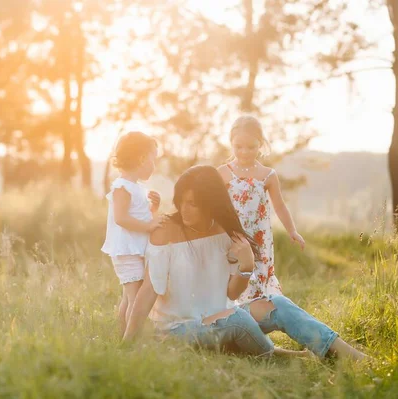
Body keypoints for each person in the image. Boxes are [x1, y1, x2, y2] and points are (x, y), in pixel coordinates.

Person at [123, 165, 367, 361]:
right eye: (181, 202)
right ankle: (279, 357)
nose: (183, 210)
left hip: (222, 316)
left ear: (211, 204)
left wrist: (246, 266)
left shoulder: (225, 231)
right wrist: (127, 343)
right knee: (237, 320)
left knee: (278, 303)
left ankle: (352, 357)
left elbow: (232, 292)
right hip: (178, 328)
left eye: (193, 204)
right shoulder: (165, 231)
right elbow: (148, 291)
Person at [217, 115, 305, 305]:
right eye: (238, 147)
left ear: (261, 143)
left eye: (251, 147)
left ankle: (257, 317)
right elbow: (213, 205)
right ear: (231, 143)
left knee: (256, 277)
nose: (245, 152)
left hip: (258, 237)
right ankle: (228, 316)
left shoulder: (268, 175)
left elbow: (279, 205)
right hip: (231, 235)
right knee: (231, 273)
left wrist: (292, 230)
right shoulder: (222, 173)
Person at [101, 131, 165, 333]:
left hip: (133, 249)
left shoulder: (135, 187)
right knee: (136, 298)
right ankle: (131, 339)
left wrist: (152, 210)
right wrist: (149, 226)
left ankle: (123, 336)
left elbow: (137, 215)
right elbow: (121, 218)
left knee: (129, 297)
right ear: (142, 159)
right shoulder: (122, 187)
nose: (154, 166)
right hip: (126, 251)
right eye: (153, 159)